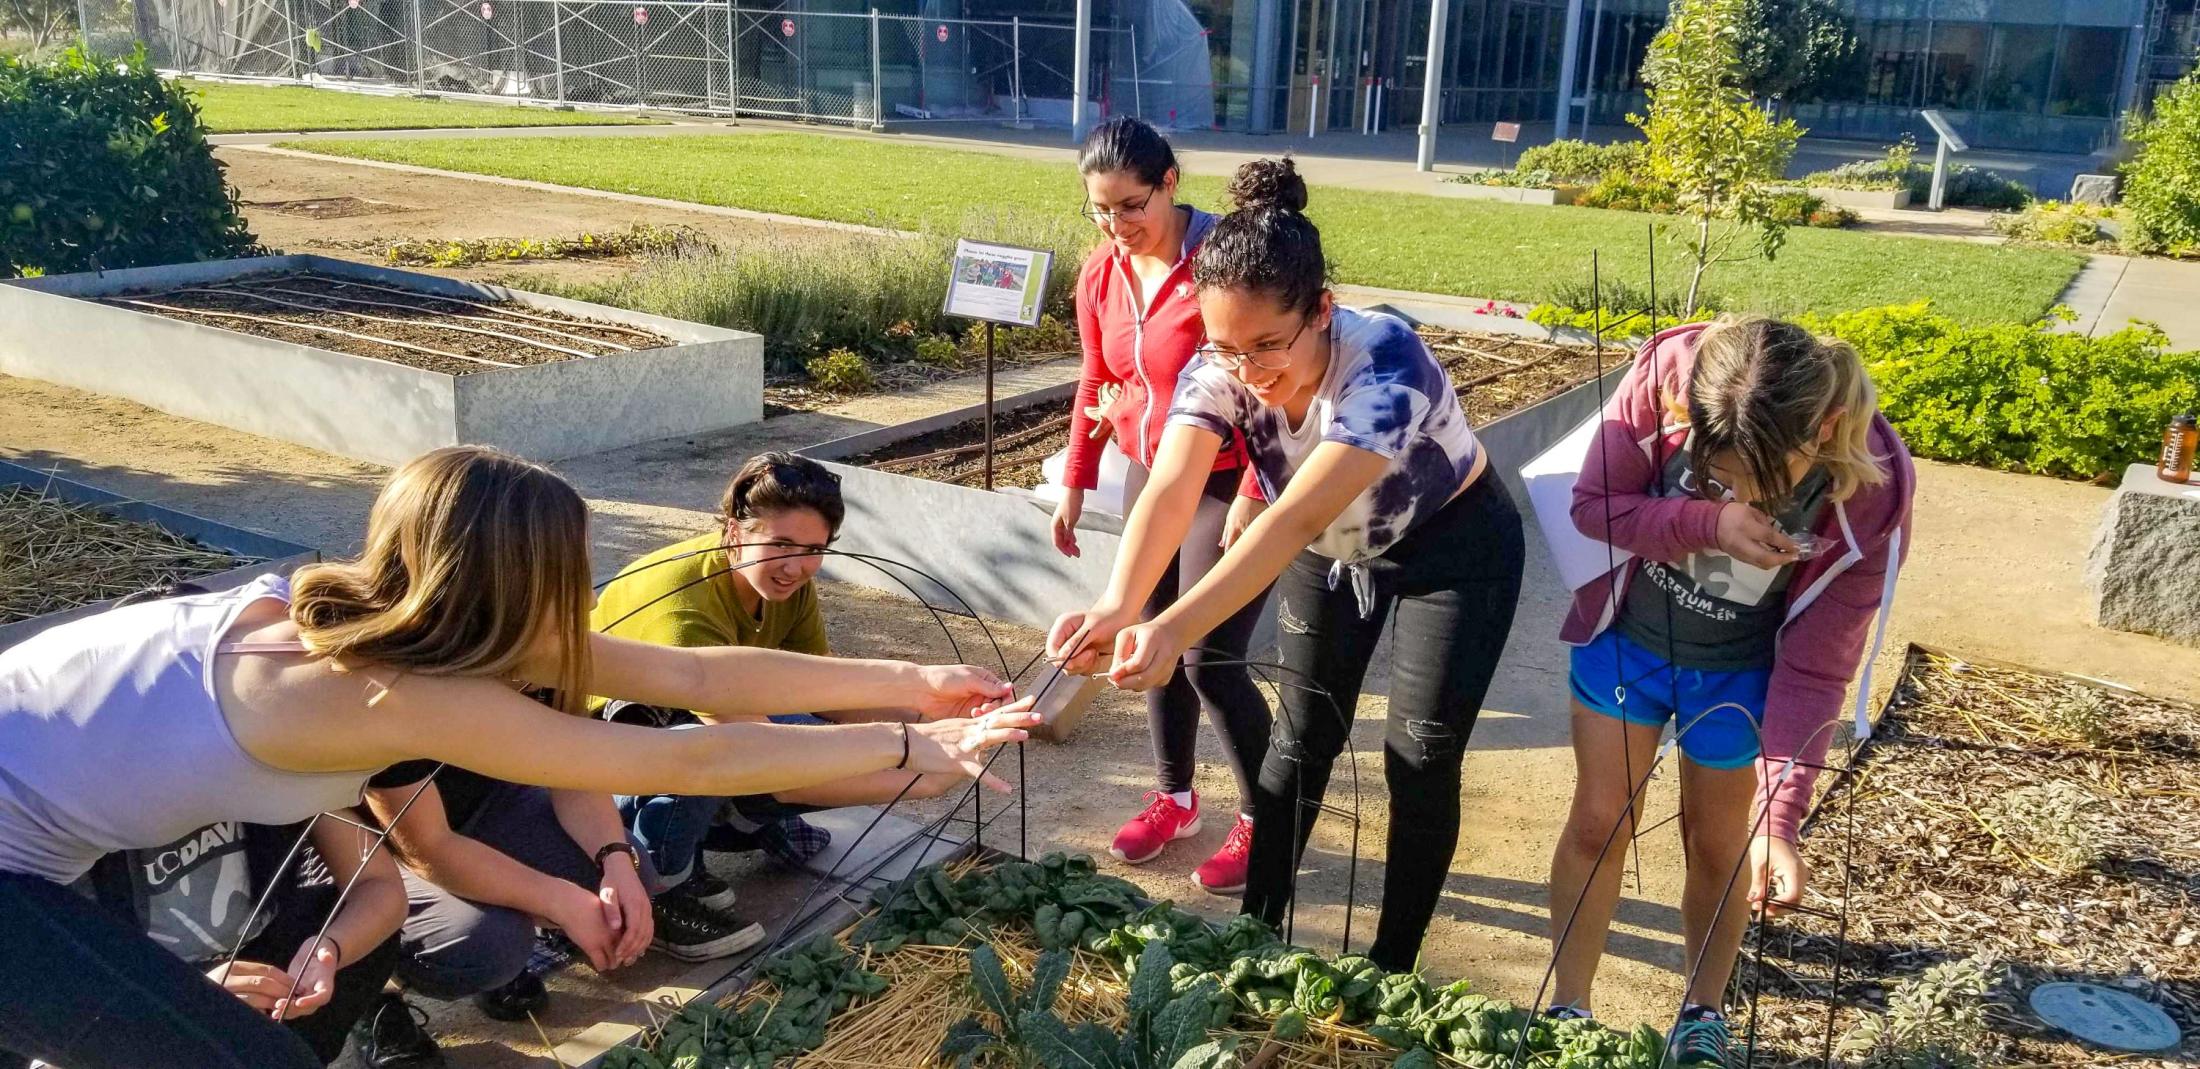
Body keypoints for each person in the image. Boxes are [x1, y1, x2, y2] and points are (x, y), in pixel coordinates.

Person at [0, 445, 1038, 1069]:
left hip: (56, 835)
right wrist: (915, 747)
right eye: (563, 569)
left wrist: (910, 684)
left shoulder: (375, 618)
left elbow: (712, 681)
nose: (577, 590)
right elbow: (686, 761)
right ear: (499, 581)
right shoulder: (386, 693)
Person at [1050, 158, 1527, 973]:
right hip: (1328, 546)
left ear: (1323, 313)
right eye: (1226, 348)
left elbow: (1296, 513)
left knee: (1416, 756)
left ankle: (1390, 969)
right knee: (1303, 735)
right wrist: (1118, 602)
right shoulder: (1222, 366)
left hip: (1451, 549)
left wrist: (1172, 625)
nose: (1249, 371)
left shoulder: (1385, 362)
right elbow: (1170, 486)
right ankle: (1257, 935)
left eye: (1269, 345)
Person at [1542, 318, 1913, 1064]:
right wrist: (1707, 519)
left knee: (1718, 844)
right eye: (1718, 473)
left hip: (1741, 673)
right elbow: (1594, 505)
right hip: (1628, 645)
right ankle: (1568, 1006)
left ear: (1827, 428)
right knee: (1597, 822)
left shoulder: (1872, 487)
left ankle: (1702, 1011)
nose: (1743, 494)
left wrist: (1780, 818)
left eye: (1762, 483)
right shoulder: (1671, 374)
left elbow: (1818, 664)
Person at [591, 451, 968, 904]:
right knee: (718, 745)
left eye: (813, 551)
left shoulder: (785, 584)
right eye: (781, 544)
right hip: (602, 755)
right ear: (735, 532)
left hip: (720, 717)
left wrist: (933, 715)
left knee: (808, 732)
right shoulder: (682, 607)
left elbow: (827, 694)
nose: (796, 567)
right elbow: (770, 762)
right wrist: (920, 775)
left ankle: (749, 822)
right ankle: (663, 880)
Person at [1055, 116, 1273, 895]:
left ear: (1170, 182)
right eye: (1102, 209)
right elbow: (1093, 377)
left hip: (1230, 475)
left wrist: (1253, 491)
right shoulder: (1101, 274)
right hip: (1153, 472)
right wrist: (1077, 483)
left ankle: (1262, 815)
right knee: (1147, 642)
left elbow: (1265, 385)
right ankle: (1176, 797)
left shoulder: (1225, 260)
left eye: (1131, 205)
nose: (1117, 225)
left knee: (1209, 658)